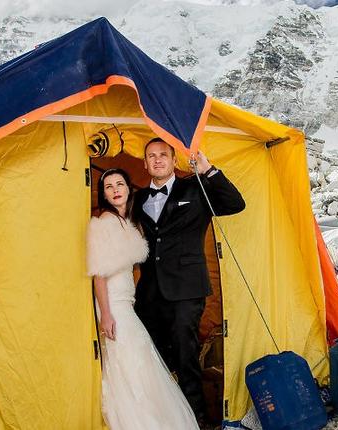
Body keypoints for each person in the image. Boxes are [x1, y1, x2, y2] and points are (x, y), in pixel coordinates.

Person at [133, 138, 246, 422]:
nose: (157, 160)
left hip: (186, 289)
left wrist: (208, 170)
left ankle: (196, 419)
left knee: (186, 355)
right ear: (145, 163)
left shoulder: (195, 188)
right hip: (148, 292)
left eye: (163, 155)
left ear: (174, 161)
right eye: (151, 155)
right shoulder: (137, 199)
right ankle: (162, 419)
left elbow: (235, 204)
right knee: (152, 357)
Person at [86, 168, 198, 430]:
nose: (115, 190)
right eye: (109, 186)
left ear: (128, 188)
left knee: (140, 360)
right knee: (131, 361)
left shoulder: (129, 222)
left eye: (120, 184)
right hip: (113, 305)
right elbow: (99, 275)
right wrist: (107, 314)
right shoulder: (105, 222)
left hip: (126, 302)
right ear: (103, 194)